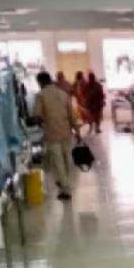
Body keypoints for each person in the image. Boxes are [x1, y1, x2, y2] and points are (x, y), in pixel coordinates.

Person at [33, 71, 79, 201]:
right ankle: (65, 182)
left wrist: (38, 121)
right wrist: (77, 131)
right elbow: (72, 115)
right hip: (66, 132)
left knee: (57, 162)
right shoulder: (63, 94)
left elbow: (37, 115)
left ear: (40, 82)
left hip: (52, 134)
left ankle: (65, 188)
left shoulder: (40, 95)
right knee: (66, 159)